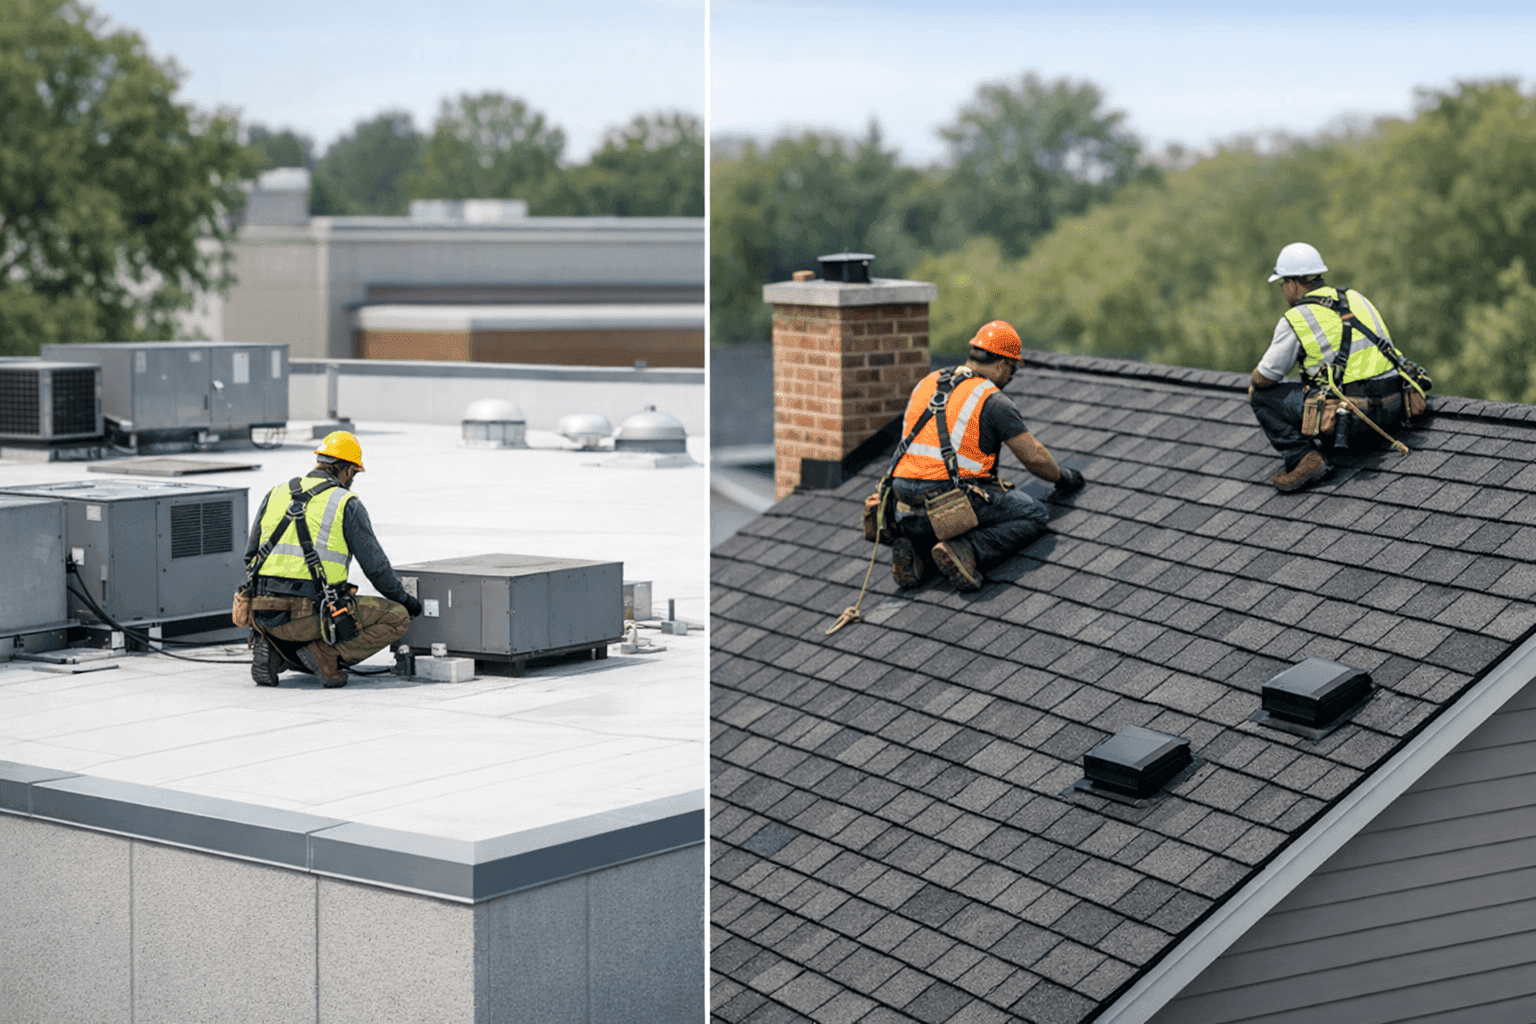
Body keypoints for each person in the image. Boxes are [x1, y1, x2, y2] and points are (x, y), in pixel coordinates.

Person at [890, 320, 1085, 593]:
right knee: (1034, 514)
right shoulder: (992, 399)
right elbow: (1034, 458)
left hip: (904, 505)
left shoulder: (927, 383)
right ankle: (966, 550)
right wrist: (1064, 477)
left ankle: (916, 547)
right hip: (947, 498)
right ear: (1003, 365)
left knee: (939, 507)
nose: (1010, 378)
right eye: (1012, 370)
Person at [244, 431, 422, 687]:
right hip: (311, 616)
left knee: (291, 618)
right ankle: (324, 655)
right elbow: (376, 569)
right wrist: (406, 601)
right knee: (396, 617)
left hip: (263, 612)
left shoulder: (276, 493)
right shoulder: (345, 502)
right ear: (347, 470)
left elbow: (250, 557)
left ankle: (272, 648)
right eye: (354, 473)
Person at [1250, 242, 1423, 492]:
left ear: (1293, 283)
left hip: (1354, 421)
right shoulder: (1355, 298)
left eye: (1282, 284)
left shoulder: (1297, 317)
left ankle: (1303, 458)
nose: (1282, 290)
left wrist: (1256, 381)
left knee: (1261, 396)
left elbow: (1265, 378)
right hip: (1396, 408)